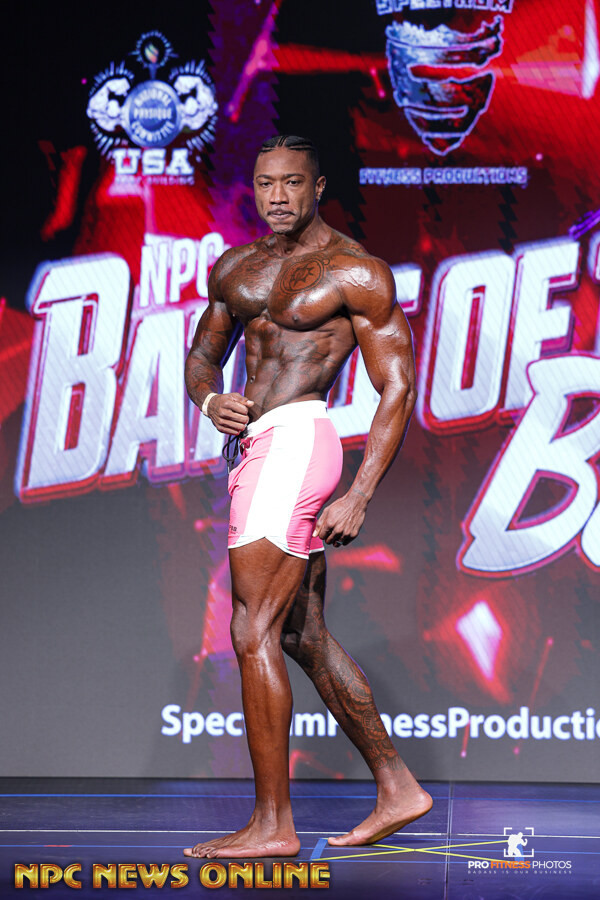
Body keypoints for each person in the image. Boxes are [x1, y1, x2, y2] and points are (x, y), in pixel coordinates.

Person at [183, 135, 432, 859]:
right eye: (266, 184)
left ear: (318, 187)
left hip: (295, 443)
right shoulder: (237, 266)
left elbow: (397, 385)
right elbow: (202, 357)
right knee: (301, 636)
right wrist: (211, 400)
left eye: (293, 183)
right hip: (254, 450)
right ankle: (398, 787)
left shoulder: (356, 271)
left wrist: (360, 493)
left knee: (250, 629)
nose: (278, 197)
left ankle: (272, 824)